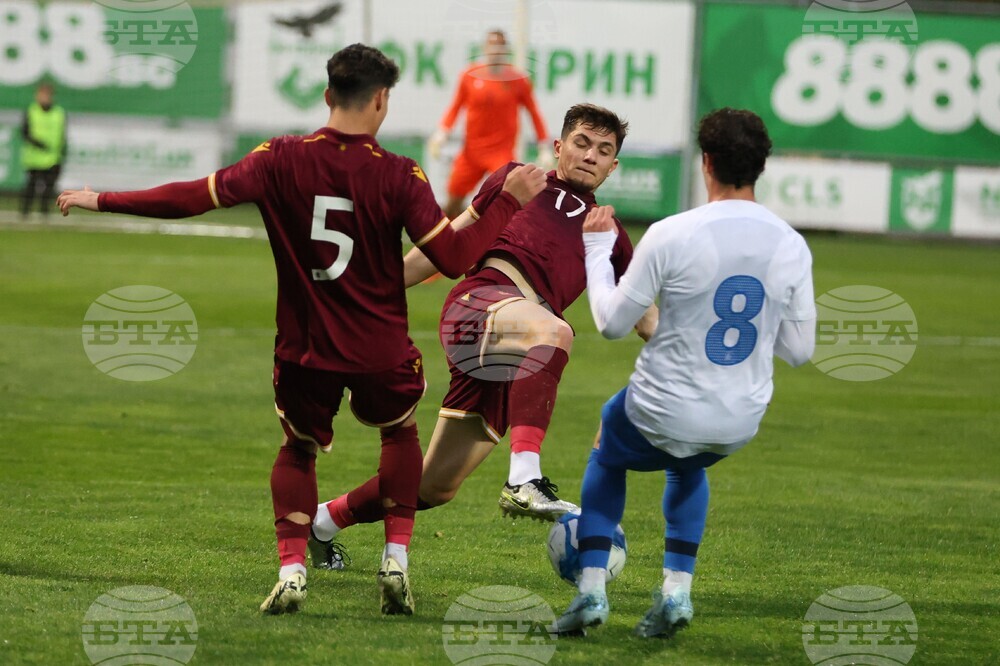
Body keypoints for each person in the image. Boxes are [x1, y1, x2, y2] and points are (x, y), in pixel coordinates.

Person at [57, 43, 547, 616]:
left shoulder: (279, 157)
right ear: (381, 100)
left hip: (304, 349)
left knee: (298, 448)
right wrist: (507, 201)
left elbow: (192, 197)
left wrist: (102, 198)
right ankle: (396, 561)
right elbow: (455, 256)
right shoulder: (399, 174)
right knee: (399, 436)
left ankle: (292, 570)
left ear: (327, 94)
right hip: (380, 349)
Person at [308, 104, 653, 569]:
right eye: (582, 143)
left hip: (513, 352)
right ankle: (524, 478)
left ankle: (322, 521)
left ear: (614, 167)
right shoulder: (519, 179)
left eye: (604, 150)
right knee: (555, 330)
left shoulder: (608, 231)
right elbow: (449, 242)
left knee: (433, 486)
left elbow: (647, 321)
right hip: (480, 308)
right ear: (559, 147)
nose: (591, 155)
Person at [552, 108, 817, 637]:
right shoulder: (791, 243)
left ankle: (591, 591)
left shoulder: (672, 232)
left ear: (707, 162)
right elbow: (800, 350)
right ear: (760, 167)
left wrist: (599, 250)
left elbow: (609, 323)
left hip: (662, 407)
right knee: (688, 461)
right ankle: (676, 593)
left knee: (609, 439)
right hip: (737, 420)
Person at [427, 29, 553, 220]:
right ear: (485, 48)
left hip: (500, 153)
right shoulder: (469, 75)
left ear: (506, 50)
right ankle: (446, 238)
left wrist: (544, 146)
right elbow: (456, 106)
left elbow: (534, 113)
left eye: (500, 46)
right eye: (492, 45)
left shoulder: (518, 80)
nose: (495, 50)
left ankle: (497, 242)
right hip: (471, 152)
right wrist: (442, 133)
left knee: (505, 198)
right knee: (453, 197)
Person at [21, 81, 67, 219]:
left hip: (53, 156)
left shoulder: (59, 113)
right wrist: (37, 143)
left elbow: (63, 134)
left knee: (49, 187)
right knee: (31, 187)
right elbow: (24, 132)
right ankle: (25, 212)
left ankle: (44, 213)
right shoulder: (31, 110)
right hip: (34, 157)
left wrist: (63, 151)